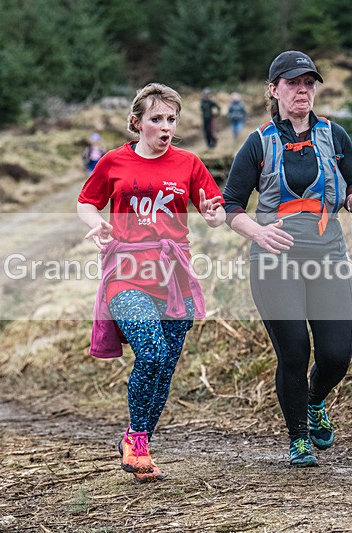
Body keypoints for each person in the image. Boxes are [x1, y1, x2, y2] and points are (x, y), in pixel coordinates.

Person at [223, 51, 352, 467]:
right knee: (293, 353)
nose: (302, 90)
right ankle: (299, 439)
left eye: (309, 82)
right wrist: (257, 231)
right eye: (292, 83)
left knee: (336, 356)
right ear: (274, 90)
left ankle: (313, 400)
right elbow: (230, 205)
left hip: (327, 255)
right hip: (275, 261)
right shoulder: (258, 143)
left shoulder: (335, 137)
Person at [77, 83, 225, 483]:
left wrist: (213, 213)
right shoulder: (113, 162)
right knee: (153, 351)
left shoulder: (190, 163)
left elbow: (214, 213)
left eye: (171, 120)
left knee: (165, 369)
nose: (165, 127)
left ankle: (136, 438)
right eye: (156, 119)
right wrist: (97, 224)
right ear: (136, 122)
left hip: (174, 278)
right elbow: (86, 201)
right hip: (127, 273)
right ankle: (138, 441)